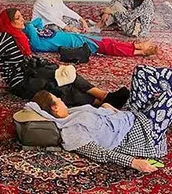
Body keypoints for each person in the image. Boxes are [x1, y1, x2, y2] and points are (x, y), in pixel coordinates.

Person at [30, 64, 172, 172]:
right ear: (54, 108)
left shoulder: (71, 113)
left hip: (129, 116)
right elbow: (100, 153)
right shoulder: (71, 132)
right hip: (140, 135)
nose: (61, 99)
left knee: (141, 72)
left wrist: (106, 108)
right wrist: (133, 162)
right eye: (57, 99)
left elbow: (98, 117)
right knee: (169, 97)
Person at [0, 9, 129, 108]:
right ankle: (99, 102)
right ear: (9, 22)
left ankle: (104, 95)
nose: (23, 20)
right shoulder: (3, 39)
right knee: (57, 87)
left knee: (63, 71)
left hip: (30, 70)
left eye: (21, 16)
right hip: (20, 81)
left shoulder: (19, 36)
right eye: (18, 18)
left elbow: (27, 56)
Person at [24, 16, 158, 57]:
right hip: (77, 45)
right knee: (107, 47)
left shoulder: (37, 33)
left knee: (107, 41)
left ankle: (138, 48)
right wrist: (28, 27)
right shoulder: (36, 43)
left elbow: (39, 21)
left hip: (76, 38)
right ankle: (139, 51)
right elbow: (31, 25)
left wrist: (29, 27)